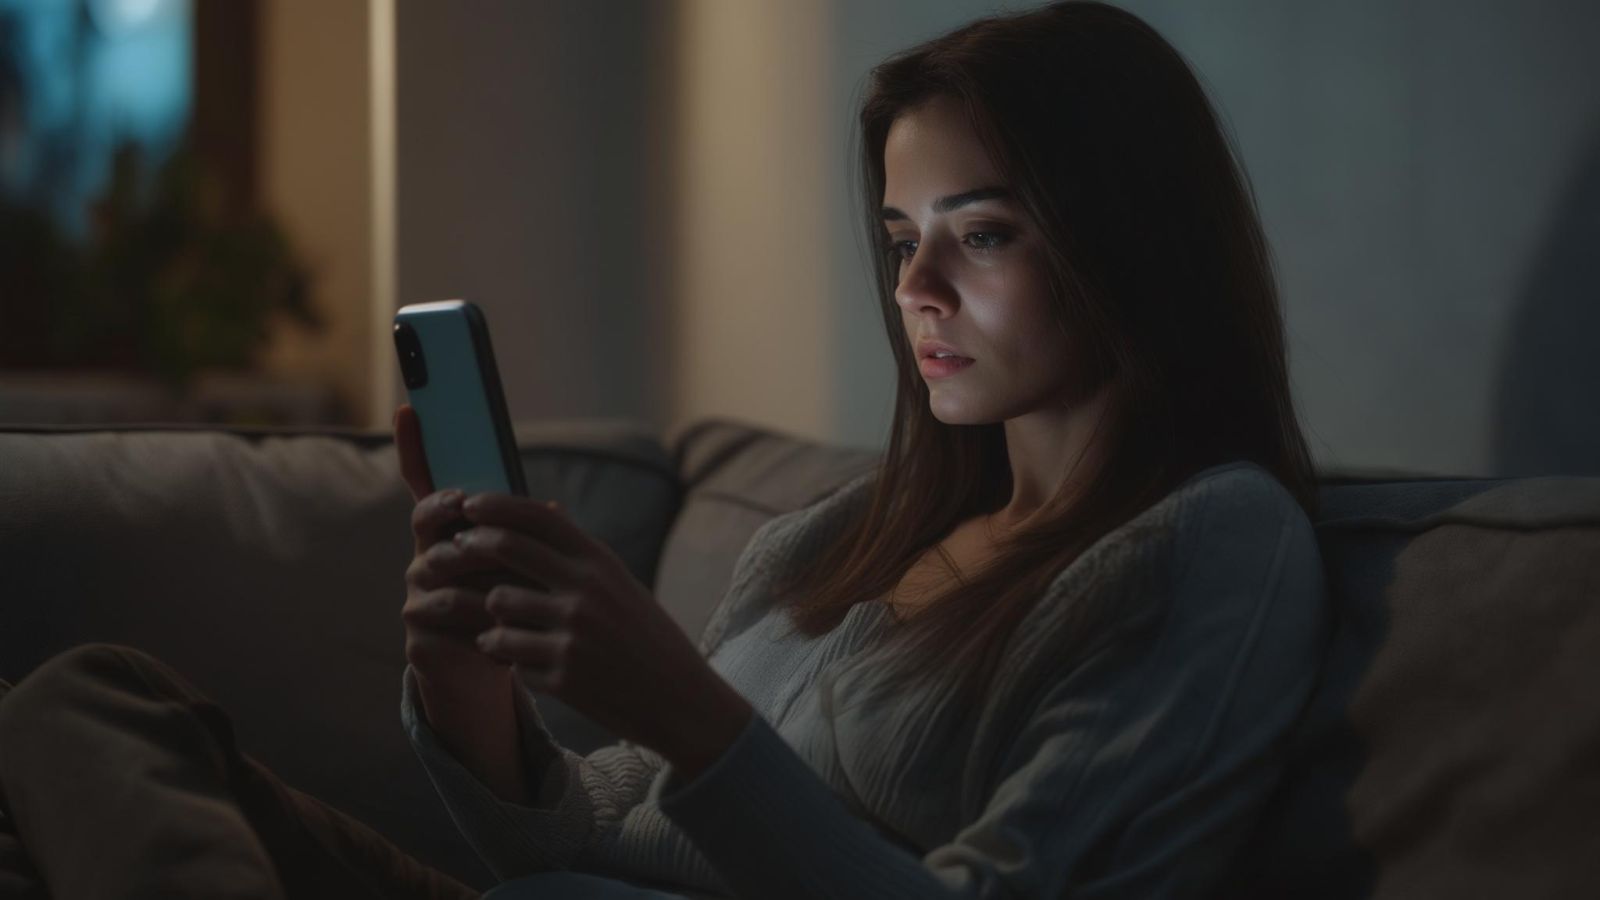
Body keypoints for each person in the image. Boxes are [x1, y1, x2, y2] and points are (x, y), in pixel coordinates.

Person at [0, 2, 1329, 897]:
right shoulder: (845, 536)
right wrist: (475, 707)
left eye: (980, 233)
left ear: (1127, 242)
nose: (917, 284)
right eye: (896, 237)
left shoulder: (1209, 544)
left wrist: (686, 713)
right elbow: (589, 824)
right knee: (85, 703)